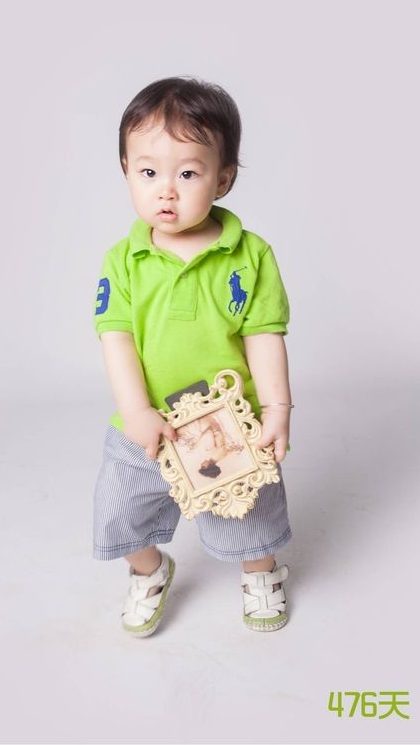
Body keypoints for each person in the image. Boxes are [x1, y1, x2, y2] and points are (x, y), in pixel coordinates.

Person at [93, 76, 294, 637]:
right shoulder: (123, 261)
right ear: (126, 171)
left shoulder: (250, 255)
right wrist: (136, 411)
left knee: (248, 512)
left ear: (222, 179)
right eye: (148, 172)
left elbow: (264, 335)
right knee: (121, 511)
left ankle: (260, 573)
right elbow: (116, 339)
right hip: (147, 424)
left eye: (187, 173)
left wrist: (277, 407)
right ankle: (149, 570)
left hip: (228, 424)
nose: (167, 191)